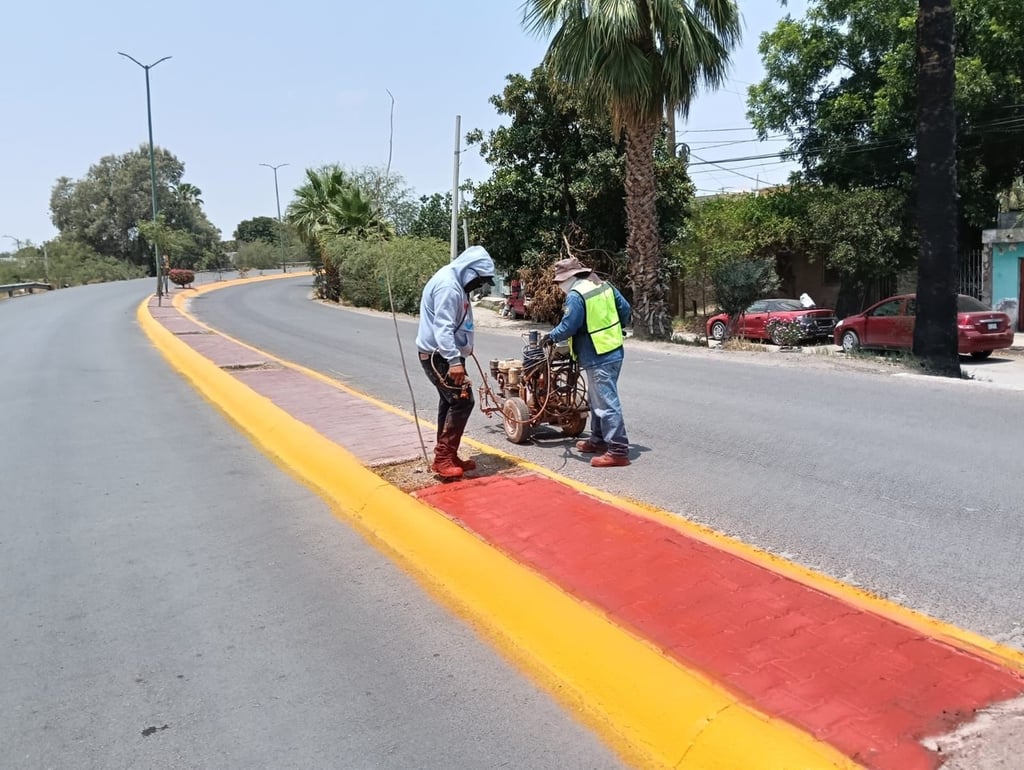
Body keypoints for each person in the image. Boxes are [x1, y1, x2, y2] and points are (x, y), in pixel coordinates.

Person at [540, 257, 632, 468]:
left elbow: (569, 326)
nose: (559, 286)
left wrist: (551, 336)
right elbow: (625, 309)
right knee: (596, 398)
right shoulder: (604, 286)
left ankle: (618, 450)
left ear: (569, 277)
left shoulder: (576, 295)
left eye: (559, 281)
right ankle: (598, 439)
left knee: (606, 402)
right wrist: (615, 328)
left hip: (597, 354)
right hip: (614, 349)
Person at [415, 245, 496, 479]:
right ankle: (443, 458)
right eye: (479, 281)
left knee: (450, 401)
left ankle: (447, 454)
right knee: (461, 401)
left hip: (448, 353)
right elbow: (443, 327)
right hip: (439, 355)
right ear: (470, 271)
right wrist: (453, 361)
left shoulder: (456, 283)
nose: (479, 286)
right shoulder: (448, 287)